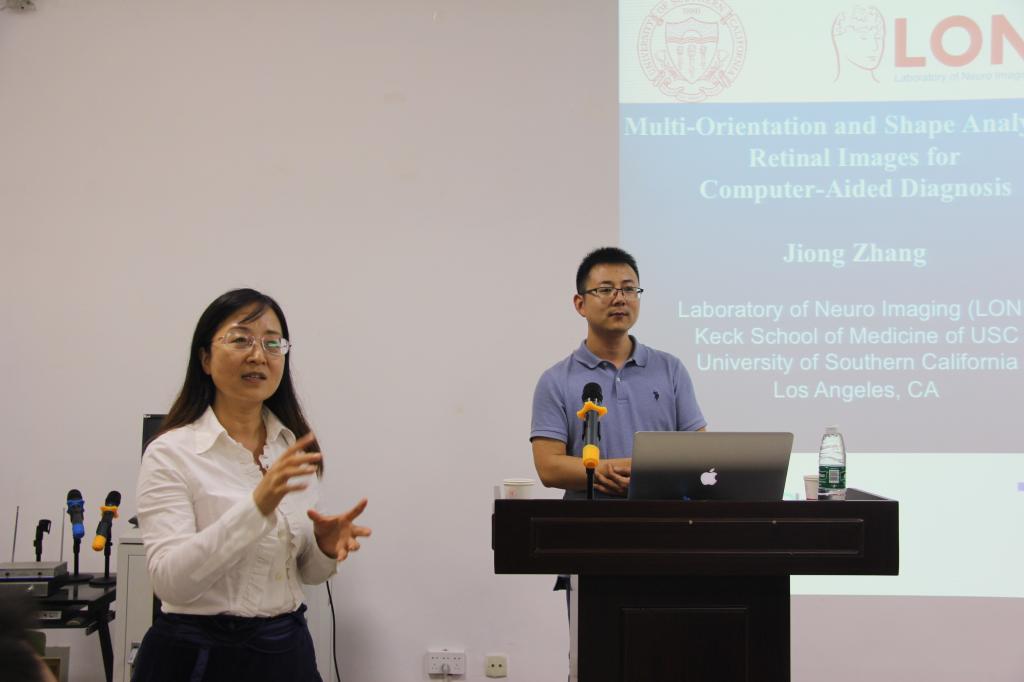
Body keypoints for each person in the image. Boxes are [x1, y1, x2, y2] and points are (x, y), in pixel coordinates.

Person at [132, 288, 371, 682]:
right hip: (197, 658)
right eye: (241, 339)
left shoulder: (292, 447)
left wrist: (325, 548)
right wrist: (257, 507)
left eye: (272, 343)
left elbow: (306, 573)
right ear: (205, 358)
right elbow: (170, 583)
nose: (259, 355)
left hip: (286, 651)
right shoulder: (170, 453)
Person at [531, 246, 706, 500]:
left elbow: (700, 454)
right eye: (605, 290)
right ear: (580, 304)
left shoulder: (671, 369)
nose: (620, 299)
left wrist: (641, 474)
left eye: (629, 289)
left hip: (663, 517)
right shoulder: (555, 380)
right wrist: (612, 470)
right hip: (587, 520)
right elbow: (549, 467)